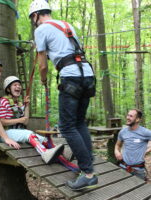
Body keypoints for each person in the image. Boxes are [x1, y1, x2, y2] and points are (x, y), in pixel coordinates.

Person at [29, 0, 97, 190]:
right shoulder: (67, 25)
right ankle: (88, 160)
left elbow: (43, 65)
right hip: (87, 75)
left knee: (66, 127)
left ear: (35, 16)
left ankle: (88, 172)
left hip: (71, 78)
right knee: (79, 122)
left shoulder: (41, 29)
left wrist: (43, 79)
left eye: (33, 19)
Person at [0, 76, 64, 164]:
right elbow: (1, 121)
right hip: (5, 133)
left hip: (16, 132)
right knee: (29, 134)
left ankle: (62, 155)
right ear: (8, 89)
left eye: (19, 85)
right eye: (15, 85)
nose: (18, 87)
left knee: (43, 139)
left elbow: (26, 121)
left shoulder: (18, 104)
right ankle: (44, 153)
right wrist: (19, 120)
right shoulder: (3, 101)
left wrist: (26, 105)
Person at [114, 109, 151, 181]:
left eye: (131, 116)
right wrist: (117, 152)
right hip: (123, 167)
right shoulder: (122, 132)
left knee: (139, 191)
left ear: (137, 119)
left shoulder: (145, 132)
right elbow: (118, 145)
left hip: (138, 170)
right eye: (128, 115)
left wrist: (147, 151)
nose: (128, 117)